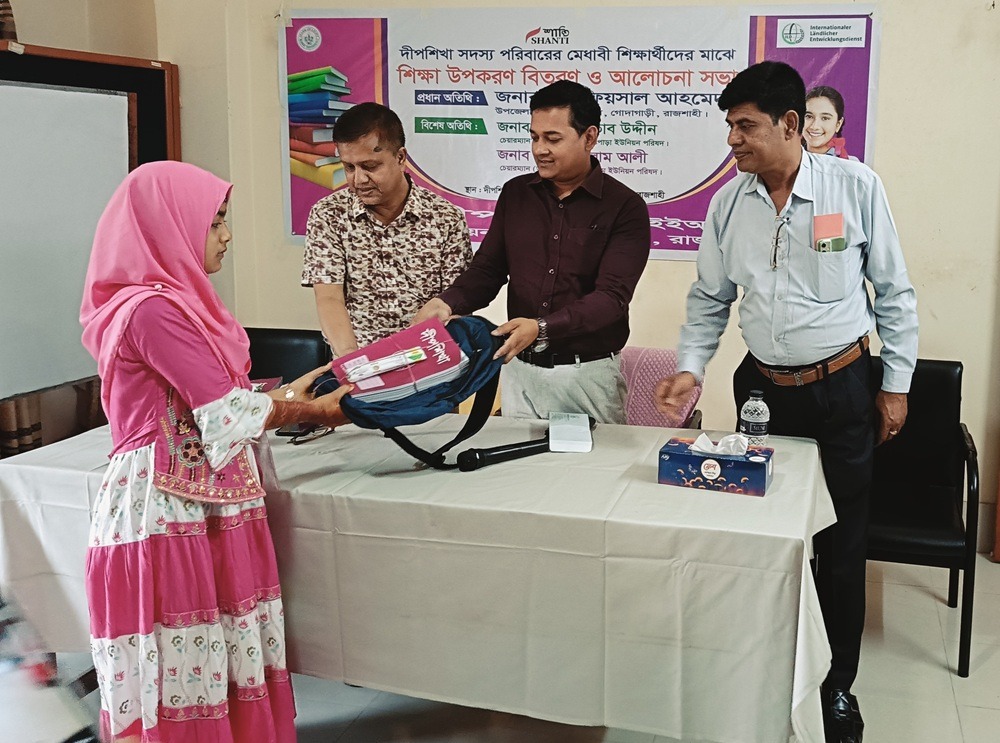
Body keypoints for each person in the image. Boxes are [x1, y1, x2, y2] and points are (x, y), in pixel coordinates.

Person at [653, 62, 917, 743]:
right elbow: (710, 299)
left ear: (791, 125)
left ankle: (836, 689)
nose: (733, 140)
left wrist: (897, 384)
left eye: (745, 126)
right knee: (764, 541)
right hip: (764, 395)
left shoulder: (853, 188)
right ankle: (765, 671)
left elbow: (893, 291)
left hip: (842, 389)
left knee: (840, 542)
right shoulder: (728, 204)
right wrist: (690, 367)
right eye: (730, 126)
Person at [80, 161, 353, 742]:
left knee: (211, 655)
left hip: (203, 497)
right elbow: (225, 414)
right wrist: (305, 408)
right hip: (169, 510)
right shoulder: (152, 310)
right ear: (169, 225)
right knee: (187, 661)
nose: (226, 235)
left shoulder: (173, 303)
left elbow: (209, 397)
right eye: (217, 222)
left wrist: (280, 396)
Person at [413, 80, 650, 424]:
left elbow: (612, 298)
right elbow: (489, 269)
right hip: (520, 371)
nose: (540, 149)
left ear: (589, 137)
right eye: (534, 137)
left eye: (553, 139)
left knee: (593, 475)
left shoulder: (624, 206)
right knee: (516, 475)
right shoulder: (516, 194)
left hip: (586, 377)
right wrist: (448, 302)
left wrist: (541, 328)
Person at [301, 102, 472, 356]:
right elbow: (329, 298)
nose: (359, 180)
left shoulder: (445, 218)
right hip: (357, 368)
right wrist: (353, 363)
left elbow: (456, 305)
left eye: (370, 166)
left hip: (430, 366)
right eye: (349, 167)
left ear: (400, 158)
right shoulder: (329, 215)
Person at [804, 85, 858, 161]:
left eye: (825, 118)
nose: (814, 126)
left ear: (838, 124)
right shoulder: (786, 161)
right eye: (809, 116)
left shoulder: (851, 166)